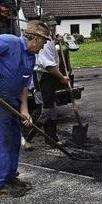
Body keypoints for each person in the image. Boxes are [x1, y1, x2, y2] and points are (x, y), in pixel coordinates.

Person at [0, 21, 50, 198]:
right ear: (35, 39)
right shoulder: (10, 42)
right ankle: (1, 185)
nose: (43, 46)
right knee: (2, 141)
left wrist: (25, 109)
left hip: (11, 101)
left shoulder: (30, 58)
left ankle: (11, 177)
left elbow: (23, 85)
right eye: (43, 42)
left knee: (14, 140)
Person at [22, 13, 69, 151]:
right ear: (43, 26)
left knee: (51, 109)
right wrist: (61, 77)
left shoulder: (48, 40)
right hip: (42, 78)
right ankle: (25, 136)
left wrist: (55, 41)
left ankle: (51, 139)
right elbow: (48, 65)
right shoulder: (42, 41)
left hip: (48, 78)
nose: (53, 28)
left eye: (55, 25)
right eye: (51, 26)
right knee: (44, 110)